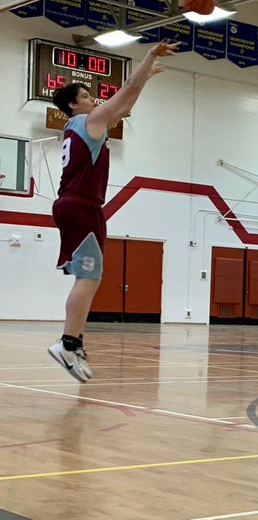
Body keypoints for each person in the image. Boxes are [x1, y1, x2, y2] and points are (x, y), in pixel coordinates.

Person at [48, 41, 180, 382]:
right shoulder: (88, 120)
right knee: (88, 277)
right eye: (88, 95)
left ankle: (73, 342)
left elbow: (125, 105)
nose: (94, 99)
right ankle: (68, 343)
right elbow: (125, 92)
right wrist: (148, 58)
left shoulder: (77, 127)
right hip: (81, 205)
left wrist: (146, 80)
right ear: (75, 104)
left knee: (88, 276)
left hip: (73, 204)